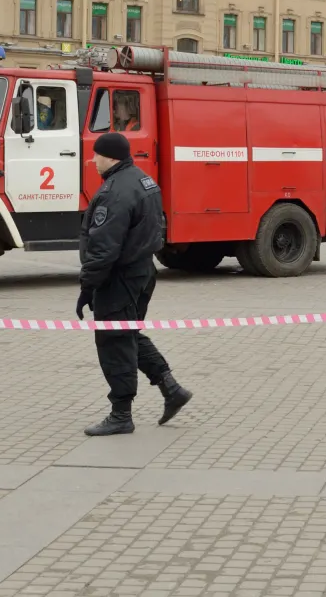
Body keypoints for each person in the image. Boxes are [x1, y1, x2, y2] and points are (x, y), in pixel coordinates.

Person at [78, 132, 193, 436]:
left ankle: (121, 415)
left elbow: (103, 248)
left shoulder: (114, 192)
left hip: (120, 277)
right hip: (142, 272)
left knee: (114, 341)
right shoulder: (143, 180)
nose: (93, 160)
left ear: (110, 157)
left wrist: (88, 286)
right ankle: (171, 389)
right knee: (126, 332)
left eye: (97, 155)